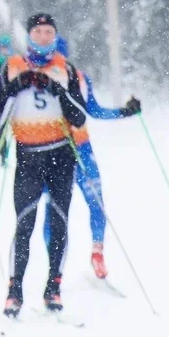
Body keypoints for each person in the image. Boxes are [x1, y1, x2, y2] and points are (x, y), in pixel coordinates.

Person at [0, 13, 88, 316]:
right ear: (29, 36)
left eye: (48, 32)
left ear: (55, 36)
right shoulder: (11, 66)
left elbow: (79, 117)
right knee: (24, 224)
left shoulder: (66, 69)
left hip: (61, 155)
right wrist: (16, 86)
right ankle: (14, 290)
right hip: (29, 156)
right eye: (38, 32)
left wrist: (58, 90)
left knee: (59, 222)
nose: (44, 37)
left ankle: (53, 287)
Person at [41, 37, 143, 280]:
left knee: (86, 203)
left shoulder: (76, 77)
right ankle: (62, 261)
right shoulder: (43, 77)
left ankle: (91, 254)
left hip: (76, 150)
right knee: (62, 208)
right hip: (58, 152)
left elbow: (93, 110)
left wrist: (125, 111)